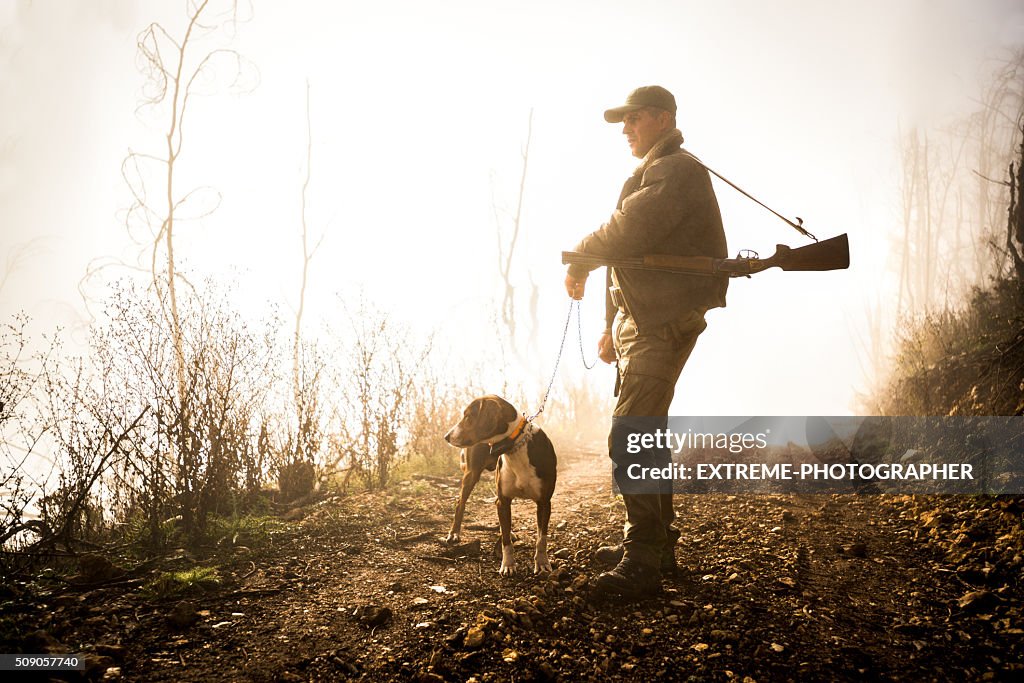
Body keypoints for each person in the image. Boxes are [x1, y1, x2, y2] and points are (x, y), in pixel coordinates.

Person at [564, 85, 728, 599]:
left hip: (663, 324)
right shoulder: (655, 171)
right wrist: (611, 325)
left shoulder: (675, 170)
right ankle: (657, 544)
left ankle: (643, 560)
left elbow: (627, 231)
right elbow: (627, 261)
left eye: (633, 119)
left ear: (661, 119)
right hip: (642, 324)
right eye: (624, 122)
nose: (625, 129)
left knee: (629, 435)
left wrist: (577, 257)